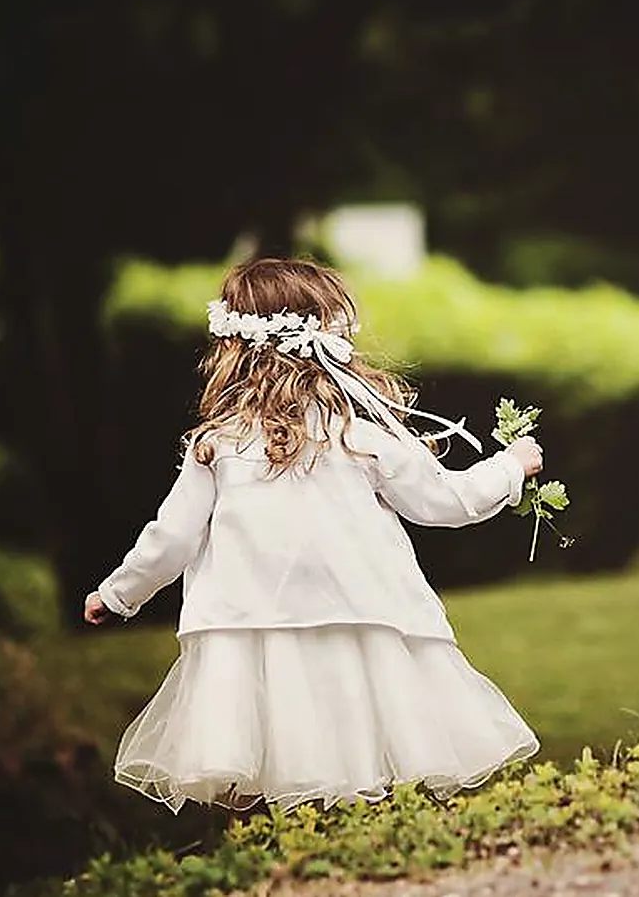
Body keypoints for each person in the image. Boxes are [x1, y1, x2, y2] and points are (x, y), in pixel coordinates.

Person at [83, 256, 543, 813]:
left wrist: (117, 593)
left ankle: (308, 851)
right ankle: (362, 849)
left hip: (255, 626)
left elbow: (172, 538)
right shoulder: (359, 436)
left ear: (233, 350)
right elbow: (445, 501)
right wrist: (510, 465)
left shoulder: (220, 444)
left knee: (287, 749)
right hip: (361, 614)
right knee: (361, 748)